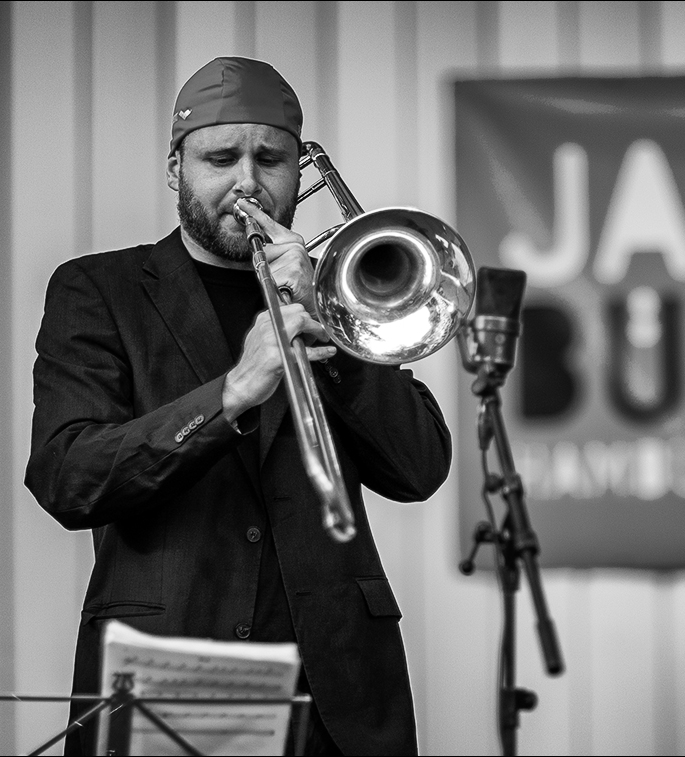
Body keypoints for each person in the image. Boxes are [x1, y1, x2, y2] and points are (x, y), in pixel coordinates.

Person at [25, 57, 451, 756]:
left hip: (336, 699)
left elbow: (419, 467)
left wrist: (338, 332)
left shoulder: (336, 294)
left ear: (299, 168)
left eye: (270, 157)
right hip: (169, 677)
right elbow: (69, 476)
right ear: (176, 168)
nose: (248, 180)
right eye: (220, 157)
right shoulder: (98, 290)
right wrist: (232, 394)